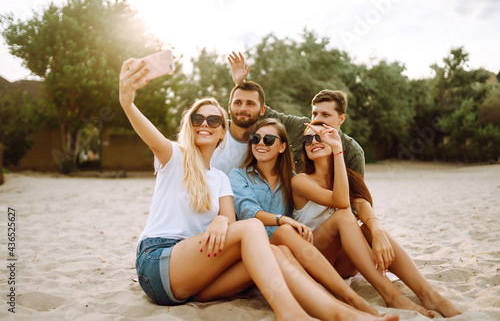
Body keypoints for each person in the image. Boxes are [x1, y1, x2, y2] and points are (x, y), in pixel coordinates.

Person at [119, 57, 398, 321]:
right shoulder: (174, 156)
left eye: (214, 121)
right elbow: (151, 136)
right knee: (254, 228)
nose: (205, 124)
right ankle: (290, 313)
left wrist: (220, 220)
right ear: (190, 126)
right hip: (159, 260)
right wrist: (128, 101)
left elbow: (229, 219)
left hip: (198, 277)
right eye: (198, 119)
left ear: (222, 131)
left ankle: (343, 312)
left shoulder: (219, 178)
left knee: (279, 251)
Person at [291, 122, 463, 318]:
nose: (313, 142)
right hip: (314, 259)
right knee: (345, 216)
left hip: (341, 266)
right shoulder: (300, 181)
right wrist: (338, 151)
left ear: (334, 139)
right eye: (307, 139)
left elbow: (363, 205)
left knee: (366, 228)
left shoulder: (346, 178)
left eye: (321, 136)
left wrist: (378, 232)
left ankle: (429, 295)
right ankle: (392, 295)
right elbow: (340, 201)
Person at [229, 118, 379, 316]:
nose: (260, 143)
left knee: (286, 240)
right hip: (254, 253)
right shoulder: (238, 175)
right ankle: (348, 297)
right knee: (284, 232)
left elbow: (343, 200)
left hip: (287, 253)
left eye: (268, 139)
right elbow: (248, 211)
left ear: (282, 147)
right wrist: (282, 219)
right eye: (256, 138)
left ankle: (346, 300)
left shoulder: (291, 178)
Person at [225, 51, 365, 176]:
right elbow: (259, 111)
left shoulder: (353, 153)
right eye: (314, 114)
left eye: (326, 115)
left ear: (341, 119)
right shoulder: (300, 127)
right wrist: (240, 83)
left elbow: (356, 198)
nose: (317, 120)